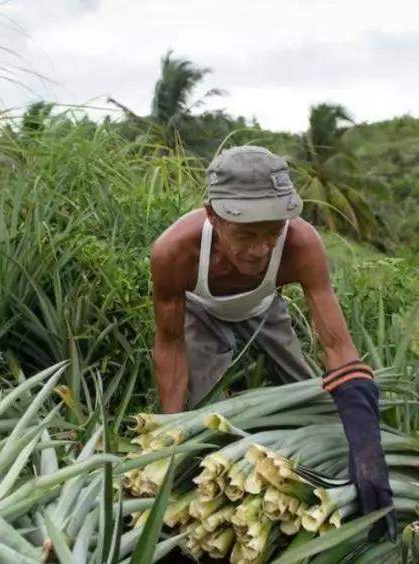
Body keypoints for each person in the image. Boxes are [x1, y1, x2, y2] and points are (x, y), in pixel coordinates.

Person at [148, 145, 398, 542]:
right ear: (213, 215)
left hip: (265, 307)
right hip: (203, 310)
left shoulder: (302, 243)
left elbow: (337, 345)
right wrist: (171, 436)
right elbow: (171, 342)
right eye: (246, 234)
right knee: (198, 411)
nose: (261, 249)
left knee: (312, 399)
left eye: (272, 233)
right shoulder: (175, 251)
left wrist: (366, 442)